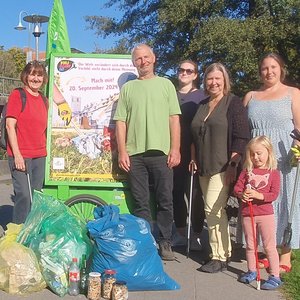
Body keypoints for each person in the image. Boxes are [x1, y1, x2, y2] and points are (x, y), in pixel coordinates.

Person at [113, 44, 181, 261]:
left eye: (146, 57)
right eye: (138, 59)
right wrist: (122, 151)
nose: (143, 61)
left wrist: (175, 148)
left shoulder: (166, 85)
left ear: (154, 58)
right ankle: (146, 242)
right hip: (135, 155)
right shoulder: (128, 89)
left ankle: (165, 241)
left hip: (161, 153)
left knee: (164, 199)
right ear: (134, 63)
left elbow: (174, 119)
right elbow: (121, 122)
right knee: (141, 201)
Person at [243, 53, 300, 273]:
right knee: (260, 201)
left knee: (284, 200)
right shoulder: (251, 96)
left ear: (281, 69)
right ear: (260, 71)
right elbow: (242, 129)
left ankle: (284, 254)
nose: (269, 72)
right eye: (265, 68)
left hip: (284, 157)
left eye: (273, 67)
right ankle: (266, 252)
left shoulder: (293, 93)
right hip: (256, 158)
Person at [190, 62, 250, 273]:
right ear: (205, 81)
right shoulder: (203, 104)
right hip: (203, 166)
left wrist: (234, 163)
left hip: (223, 165)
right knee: (214, 211)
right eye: (210, 78)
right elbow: (194, 135)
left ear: (225, 80)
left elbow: (241, 137)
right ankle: (222, 252)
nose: (213, 82)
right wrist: (193, 157)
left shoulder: (233, 103)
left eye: (218, 78)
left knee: (213, 209)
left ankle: (218, 256)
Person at [234, 136, 283, 290]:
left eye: (259, 153)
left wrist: (258, 195)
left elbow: (273, 195)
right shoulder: (246, 171)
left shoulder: (273, 173)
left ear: (268, 152)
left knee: (269, 246)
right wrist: (243, 195)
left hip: (266, 214)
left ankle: (275, 276)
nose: (256, 157)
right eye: (252, 154)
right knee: (250, 245)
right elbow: (237, 188)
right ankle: (252, 271)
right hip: (248, 214)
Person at [5, 61, 48, 224]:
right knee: (23, 195)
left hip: (39, 155)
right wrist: (17, 155)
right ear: (26, 76)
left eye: (39, 75)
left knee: (36, 196)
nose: (35, 78)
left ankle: (31, 232)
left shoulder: (44, 100)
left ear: (43, 78)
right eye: (32, 74)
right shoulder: (18, 95)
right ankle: (18, 234)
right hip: (20, 154)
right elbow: (10, 125)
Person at [172, 60, 206, 249]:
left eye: (188, 70)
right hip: (174, 150)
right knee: (175, 193)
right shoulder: (171, 95)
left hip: (194, 151)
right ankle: (180, 233)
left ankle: (197, 234)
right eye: (181, 69)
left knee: (194, 195)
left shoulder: (201, 96)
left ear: (195, 75)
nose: (184, 73)